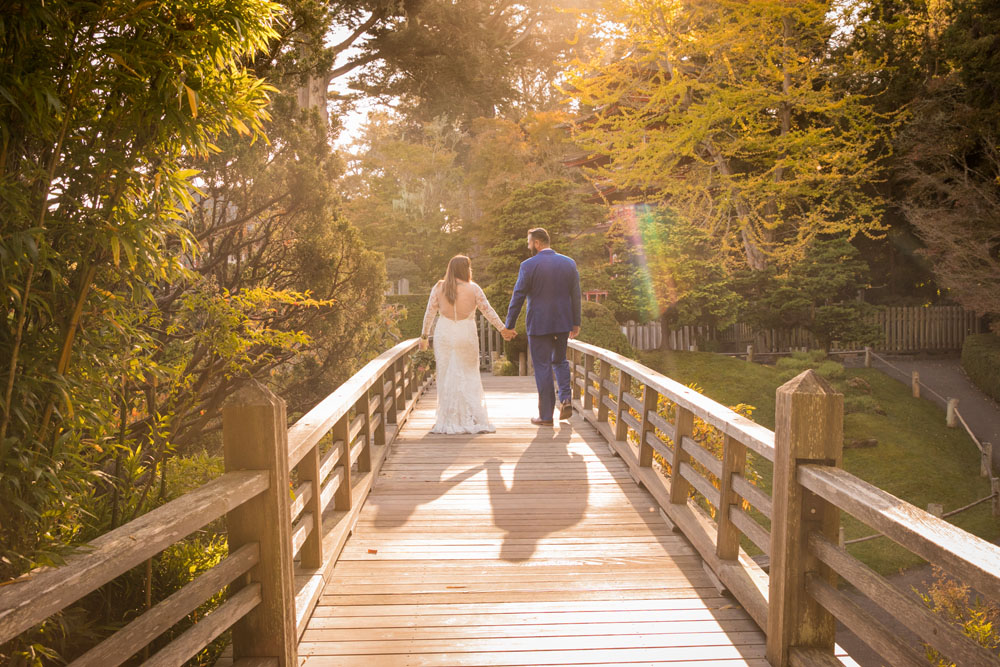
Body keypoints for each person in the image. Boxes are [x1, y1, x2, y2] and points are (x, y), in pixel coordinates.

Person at [420, 255, 515, 434]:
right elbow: (488, 311)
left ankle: (448, 418)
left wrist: (424, 337)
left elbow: (429, 314)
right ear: (466, 269)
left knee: (446, 375)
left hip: (444, 335)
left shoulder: (439, 287)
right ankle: (471, 417)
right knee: (469, 374)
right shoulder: (473, 289)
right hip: (466, 334)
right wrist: (503, 329)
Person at [504, 228, 581, 426]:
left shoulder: (528, 266)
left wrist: (509, 325)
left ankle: (546, 416)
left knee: (543, 367)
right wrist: (576, 322)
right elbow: (576, 295)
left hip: (539, 324)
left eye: (529, 243)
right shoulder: (569, 263)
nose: (528, 246)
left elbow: (518, 296)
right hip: (563, 323)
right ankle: (565, 398)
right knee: (560, 361)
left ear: (537, 243)